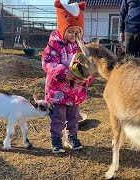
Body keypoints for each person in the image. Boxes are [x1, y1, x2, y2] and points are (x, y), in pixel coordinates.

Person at [41, 0, 93, 153]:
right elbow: (47, 62)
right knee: (58, 116)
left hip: (76, 91)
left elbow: (90, 65)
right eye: (70, 31)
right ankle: (56, 139)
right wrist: (64, 72)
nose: (74, 35)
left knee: (74, 116)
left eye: (77, 32)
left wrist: (86, 77)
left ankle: (72, 137)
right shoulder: (54, 45)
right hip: (57, 90)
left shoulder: (83, 47)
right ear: (62, 28)